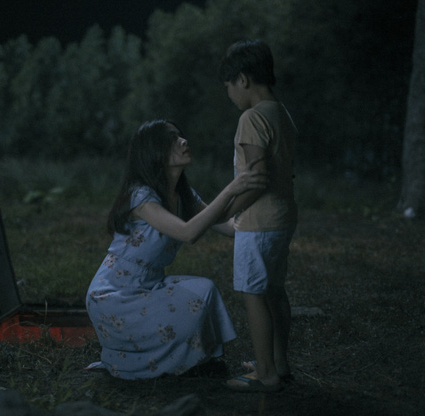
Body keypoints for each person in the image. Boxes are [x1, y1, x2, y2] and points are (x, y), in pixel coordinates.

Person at [85, 119, 266, 380]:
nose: (183, 141)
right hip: (116, 296)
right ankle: (157, 363)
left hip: (149, 285)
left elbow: (227, 225)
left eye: (181, 136)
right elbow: (187, 232)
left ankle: (200, 360)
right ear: (153, 152)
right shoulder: (141, 196)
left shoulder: (184, 195)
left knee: (205, 290)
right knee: (192, 304)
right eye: (172, 139)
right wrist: (231, 189)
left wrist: (259, 193)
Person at [218, 39, 298, 392]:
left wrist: (226, 211)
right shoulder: (281, 113)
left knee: (253, 294)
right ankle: (279, 363)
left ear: (243, 79)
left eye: (229, 86)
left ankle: (265, 374)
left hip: (258, 223)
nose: (230, 95)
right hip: (282, 217)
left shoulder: (251, 117)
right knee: (274, 291)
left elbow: (256, 179)